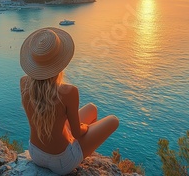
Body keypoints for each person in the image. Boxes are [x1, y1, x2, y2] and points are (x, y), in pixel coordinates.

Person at [19, 27, 119, 175]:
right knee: (113, 120)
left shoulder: (24, 83)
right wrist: (83, 127)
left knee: (91, 108)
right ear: (60, 62)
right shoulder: (69, 91)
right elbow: (78, 133)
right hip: (62, 162)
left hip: (36, 153)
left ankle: (77, 149)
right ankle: (80, 154)